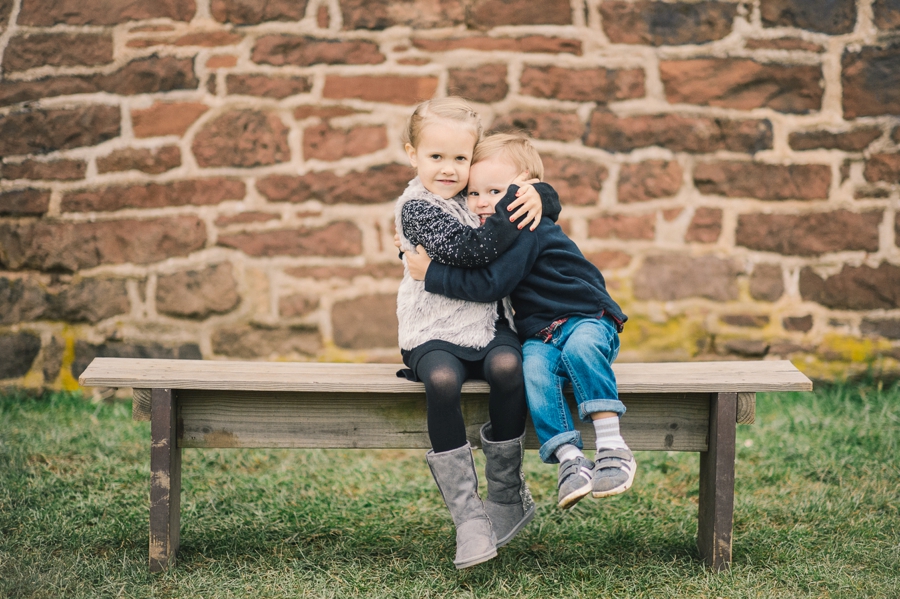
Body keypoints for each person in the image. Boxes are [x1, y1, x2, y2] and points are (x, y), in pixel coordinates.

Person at [403, 132, 636, 512]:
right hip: (540, 332)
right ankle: (569, 459)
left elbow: (492, 284)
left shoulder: (524, 224)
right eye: (474, 194)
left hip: (584, 317)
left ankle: (613, 446)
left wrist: (430, 273)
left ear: (522, 188)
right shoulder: (498, 228)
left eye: (494, 191)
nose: (481, 203)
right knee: (535, 371)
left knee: (580, 350)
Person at [394, 98, 561, 568]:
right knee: (443, 380)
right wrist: (524, 202)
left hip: (489, 325)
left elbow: (514, 189)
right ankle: (468, 518)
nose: (449, 169)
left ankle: (506, 494)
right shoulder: (416, 209)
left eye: (460, 159)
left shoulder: (480, 197)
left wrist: (539, 196)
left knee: (510, 366)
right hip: (432, 330)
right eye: (435, 157)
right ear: (412, 155)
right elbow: (473, 251)